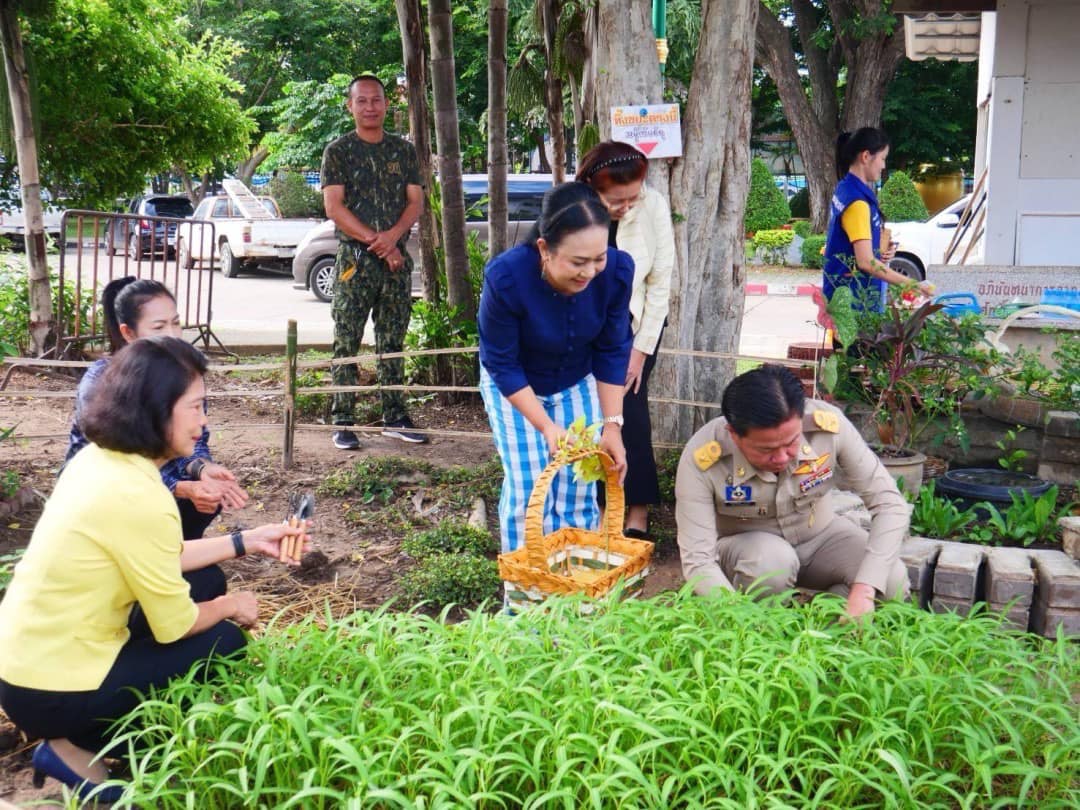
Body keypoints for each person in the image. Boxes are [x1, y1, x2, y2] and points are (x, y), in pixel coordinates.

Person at [0, 337, 310, 803]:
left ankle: (91, 744)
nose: (204, 421)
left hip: (25, 667)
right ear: (156, 408)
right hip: (52, 690)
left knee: (203, 580)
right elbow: (176, 626)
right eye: (196, 407)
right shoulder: (141, 495)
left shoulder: (100, 462)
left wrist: (249, 541)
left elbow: (155, 555)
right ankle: (99, 748)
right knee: (224, 639)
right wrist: (234, 606)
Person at [675, 364, 910, 619]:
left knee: (891, 581)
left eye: (791, 443)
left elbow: (889, 504)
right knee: (771, 562)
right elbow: (698, 560)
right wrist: (736, 620)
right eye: (766, 450)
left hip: (821, 537)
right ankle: (762, 631)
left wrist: (864, 591)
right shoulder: (703, 457)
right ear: (734, 434)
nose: (781, 457)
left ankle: (825, 627)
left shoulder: (828, 427)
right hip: (750, 553)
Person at [479, 182, 633, 554]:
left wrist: (613, 426)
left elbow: (612, 349)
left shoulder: (616, 271)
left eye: (598, 257)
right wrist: (546, 427)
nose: (591, 271)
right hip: (514, 387)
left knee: (579, 484)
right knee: (529, 489)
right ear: (544, 249)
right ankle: (525, 599)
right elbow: (502, 361)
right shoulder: (506, 277)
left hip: (576, 380)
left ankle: (575, 591)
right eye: (578, 262)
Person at [64, 276, 247, 539]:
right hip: (105, 502)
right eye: (159, 326)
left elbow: (192, 441)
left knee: (210, 493)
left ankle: (175, 554)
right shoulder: (103, 383)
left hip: (154, 488)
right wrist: (181, 488)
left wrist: (203, 469)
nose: (173, 335)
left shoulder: (182, 375)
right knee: (207, 578)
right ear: (129, 333)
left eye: (176, 323)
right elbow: (121, 471)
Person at [322, 72, 426, 449]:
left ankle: (395, 416)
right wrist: (379, 243)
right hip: (354, 261)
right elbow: (334, 207)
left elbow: (415, 201)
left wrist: (393, 238)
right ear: (350, 106)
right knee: (346, 339)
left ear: (386, 104)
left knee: (393, 339)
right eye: (361, 100)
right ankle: (343, 420)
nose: (369, 106)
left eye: (376, 100)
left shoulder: (403, 151)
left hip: (396, 263)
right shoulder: (338, 151)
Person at [577, 141, 674, 539]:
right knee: (591, 415)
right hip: (584, 328)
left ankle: (636, 509)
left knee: (629, 413)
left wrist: (639, 350)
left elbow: (661, 281)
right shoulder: (573, 209)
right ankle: (598, 506)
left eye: (635, 195)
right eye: (617, 200)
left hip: (636, 328)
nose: (627, 206)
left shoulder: (652, 206)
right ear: (592, 188)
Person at [823, 127, 933, 313]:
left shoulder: (847, 188)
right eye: (882, 159)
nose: (883, 166)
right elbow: (865, 262)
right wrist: (913, 285)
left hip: (849, 297)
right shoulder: (856, 202)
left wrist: (879, 251)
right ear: (866, 157)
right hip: (855, 303)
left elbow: (854, 244)